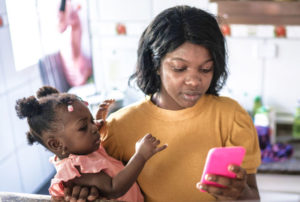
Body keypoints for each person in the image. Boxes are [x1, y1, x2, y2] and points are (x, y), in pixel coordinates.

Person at [64, 5, 261, 201]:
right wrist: (86, 193)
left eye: (205, 69)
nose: (194, 81)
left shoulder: (231, 116)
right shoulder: (117, 129)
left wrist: (240, 193)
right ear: (155, 64)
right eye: (179, 68)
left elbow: (253, 197)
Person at [15, 86, 167, 202]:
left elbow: (89, 139)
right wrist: (140, 155)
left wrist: (98, 118)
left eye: (91, 121)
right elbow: (114, 188)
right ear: (56, 144)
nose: (94, 128)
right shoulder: (77, 170)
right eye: (83, 127)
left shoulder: (82, 149)